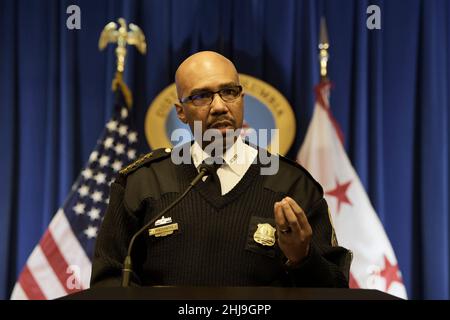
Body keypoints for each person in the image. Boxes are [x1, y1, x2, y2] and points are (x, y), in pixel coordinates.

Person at [90, 51, 351, 288]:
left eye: (229, 92)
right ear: (181, 112)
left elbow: (335, 289)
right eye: (202, 96)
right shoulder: (143, 182)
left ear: (241, 98)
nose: (219, 106)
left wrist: (302, 258)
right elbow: (109, 281)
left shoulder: (293, 185)